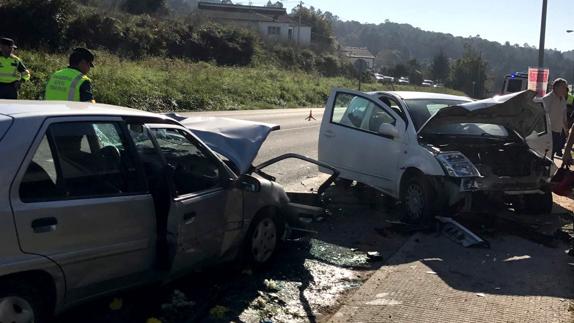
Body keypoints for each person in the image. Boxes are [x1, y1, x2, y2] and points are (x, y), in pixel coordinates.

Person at [542, 78, 569, 158]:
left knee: (553, 152)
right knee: (547, 153)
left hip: (558, 131)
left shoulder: (563, 99)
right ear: (556, 87)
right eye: (563, 87)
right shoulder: (547, 98)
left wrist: (566, 130)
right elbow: (544, 116)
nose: (565, 89)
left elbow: (563, 115)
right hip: (549, 131)